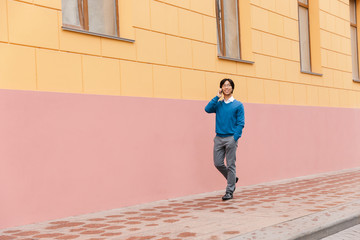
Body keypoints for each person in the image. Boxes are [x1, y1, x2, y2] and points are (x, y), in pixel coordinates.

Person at [205, 78, 245, 201]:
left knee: (231, 164)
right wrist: (217, 96)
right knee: (218, 163)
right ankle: (232, 178)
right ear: (221, 88)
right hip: (218, 138)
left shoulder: (238, 105)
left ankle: (229, 191)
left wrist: (235, 138)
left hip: (231, 138)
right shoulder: (218, 104)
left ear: (232, 88)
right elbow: (207, 109)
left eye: (228, 85)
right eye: (224, 85)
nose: (226, 87)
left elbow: (241, 123)